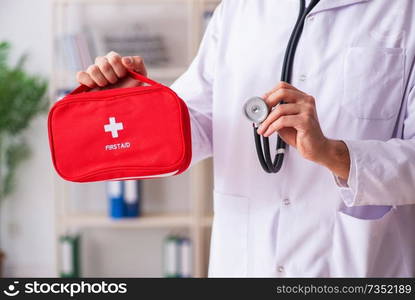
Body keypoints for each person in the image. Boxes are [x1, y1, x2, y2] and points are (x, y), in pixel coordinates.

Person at [76, 0, 415, 277]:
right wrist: (138, 104)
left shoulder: (404, 14)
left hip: (354, 267)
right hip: (247, 265)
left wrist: (334, 153)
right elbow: (192, 128)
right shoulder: (237, 12)